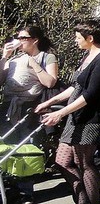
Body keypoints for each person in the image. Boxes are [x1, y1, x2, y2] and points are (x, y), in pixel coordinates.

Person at [37, 20, 100, 204]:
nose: (75, 41)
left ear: (89, 38)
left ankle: (91, 201)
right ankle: (82, 199)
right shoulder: (87, 56)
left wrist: (60, 113)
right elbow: (77, 87)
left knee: (84, 163)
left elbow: (90, 94)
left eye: (78, 37)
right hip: (76, 116)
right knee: (62, 162)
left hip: (91, 118)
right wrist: (51, 101)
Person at [0, 25, 59, 204]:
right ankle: (9, 188)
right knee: (7, 148)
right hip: (8, 107)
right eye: (18, 37)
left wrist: (32, 62)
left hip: (30, 109)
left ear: (35, 40)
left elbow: (50, 82)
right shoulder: (14, 58)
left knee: (26, 149)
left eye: (24, 38)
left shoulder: (46, 57)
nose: (19, 41)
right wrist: (4, 58)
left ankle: (26, 192)